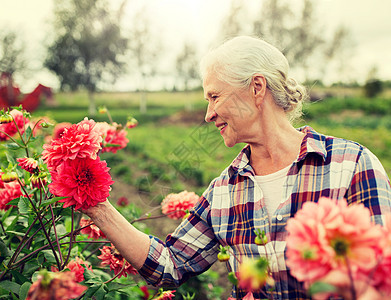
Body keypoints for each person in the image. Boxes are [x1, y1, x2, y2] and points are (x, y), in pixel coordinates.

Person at [84, 36, 391, 299]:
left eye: (214, 96)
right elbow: (170, 264)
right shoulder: (224, 190)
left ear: (257, 88)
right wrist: (99, 209)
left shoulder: (352, 165)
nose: (208, 114)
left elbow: (382, 275)